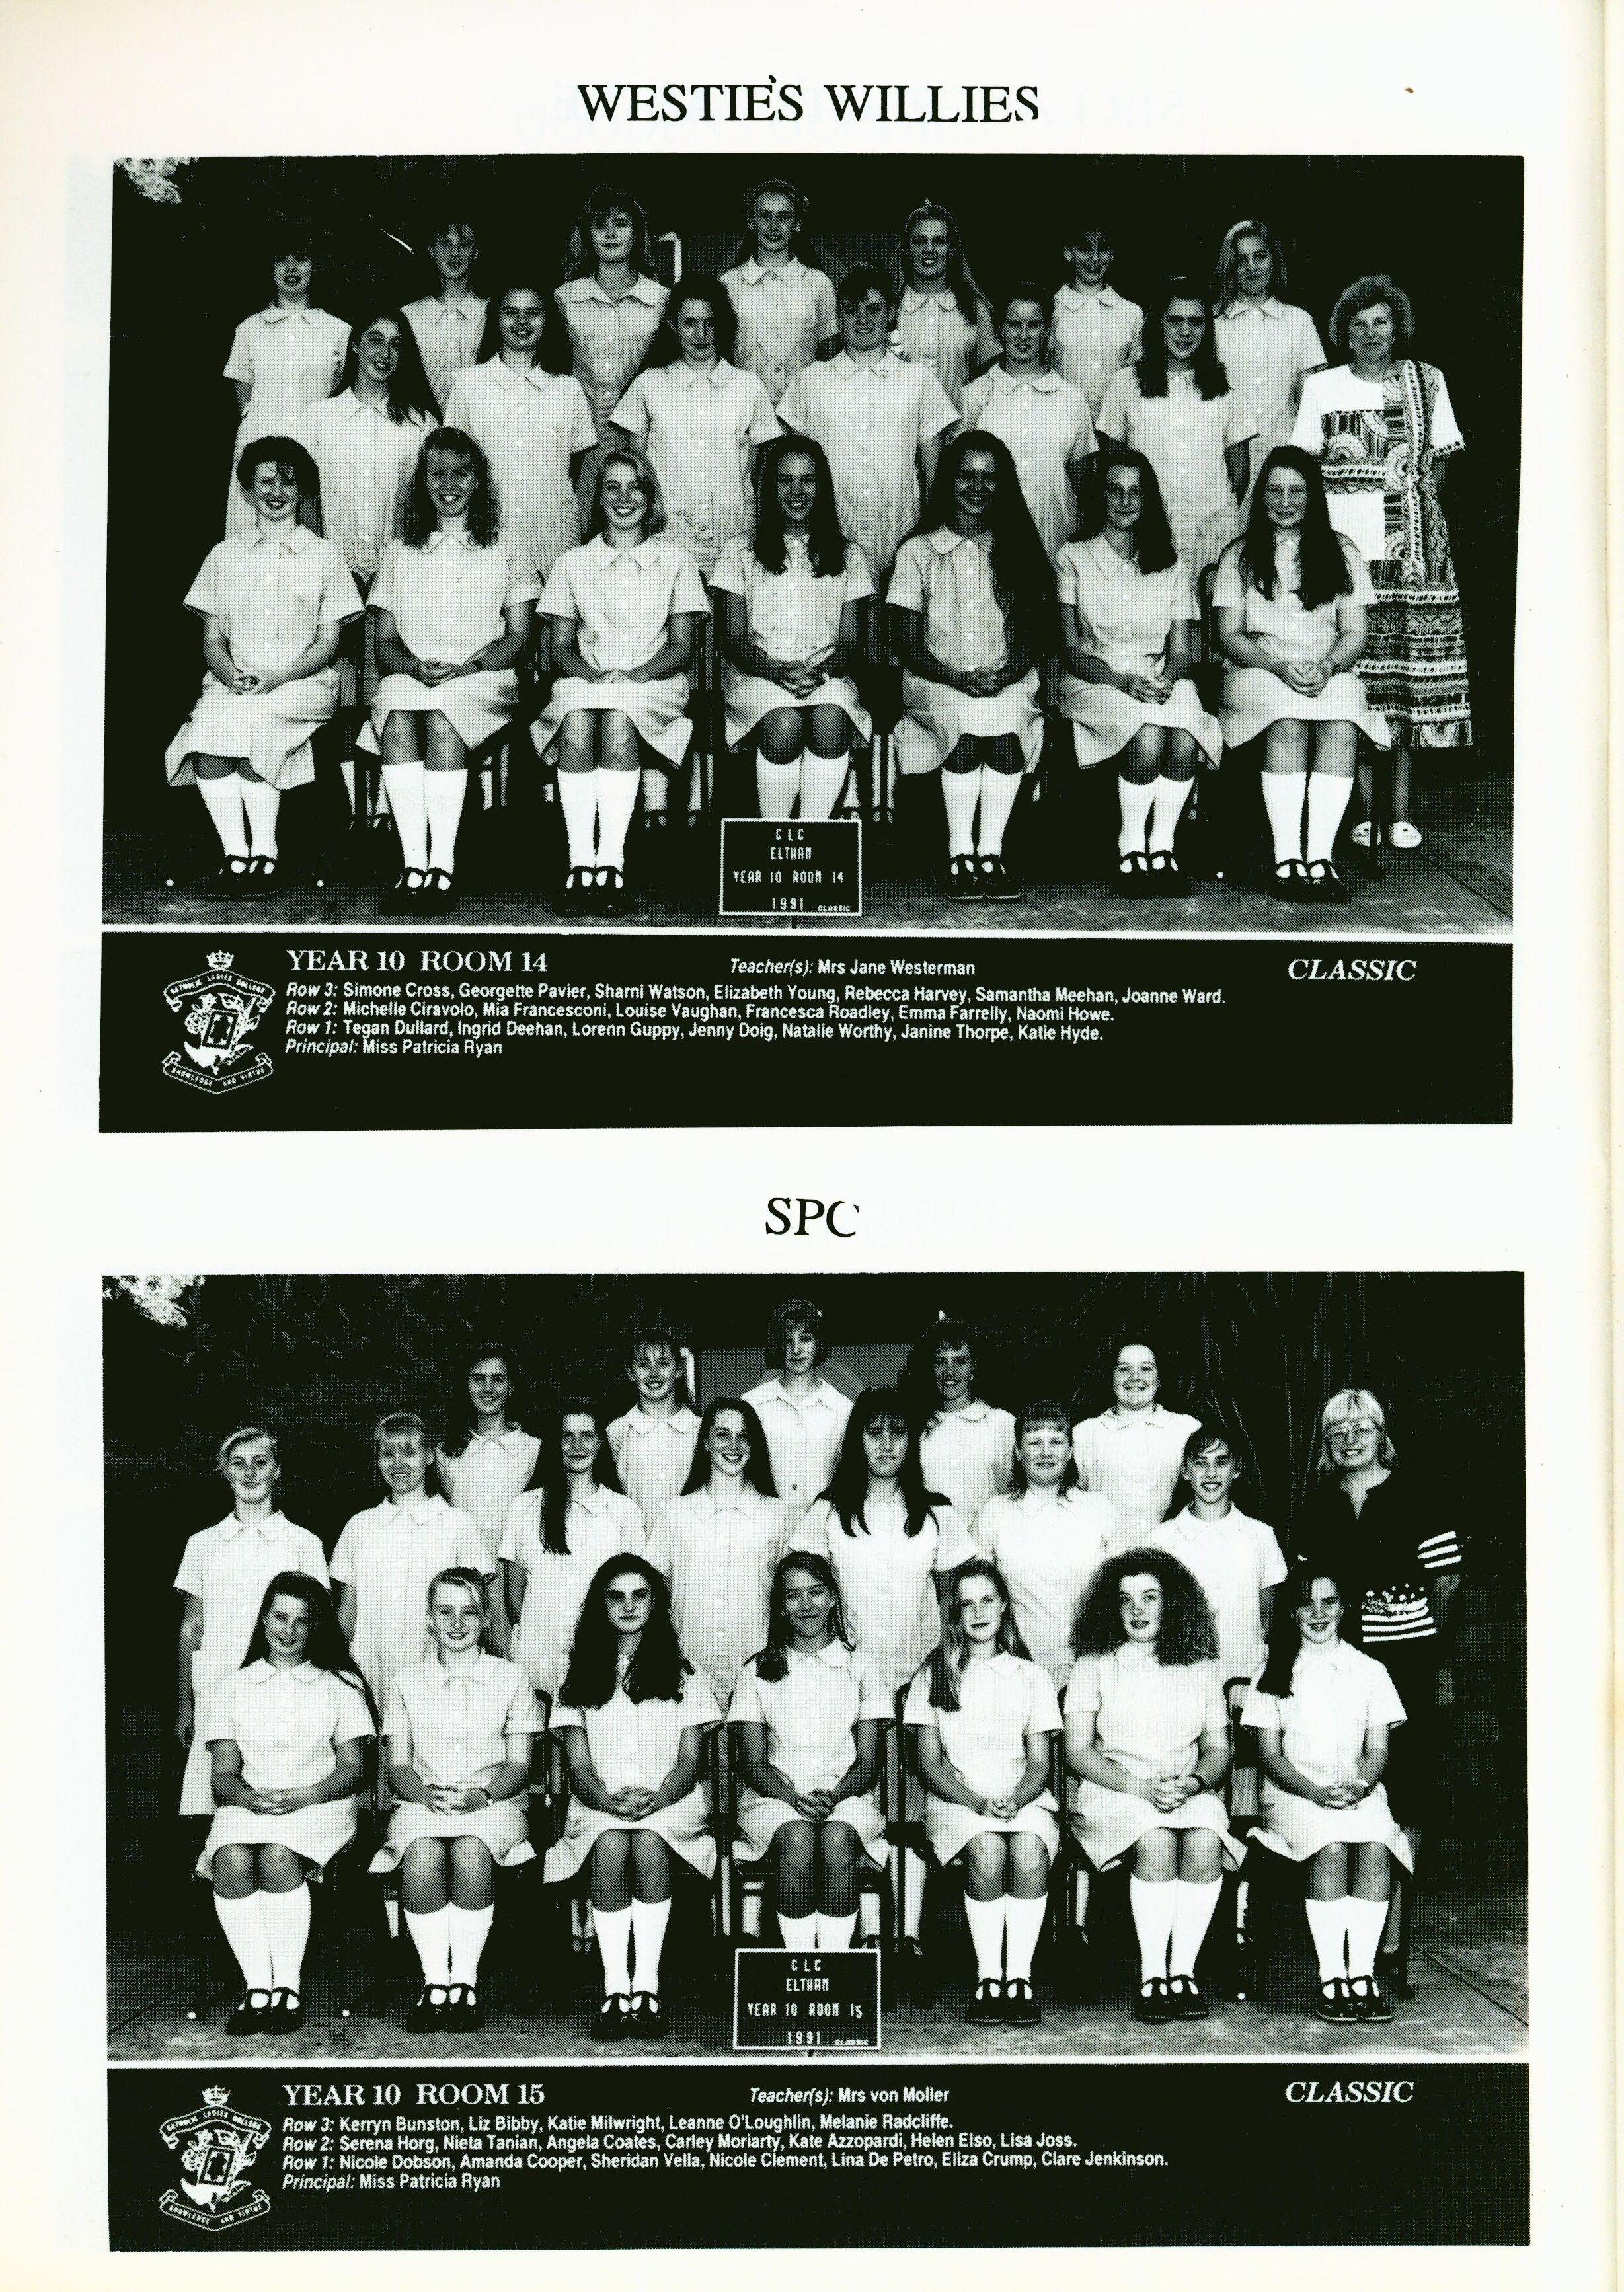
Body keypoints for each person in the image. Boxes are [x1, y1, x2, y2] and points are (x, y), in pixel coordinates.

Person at [1293, 1389, 1462, 1997]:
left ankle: (1390, 1941)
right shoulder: (1318, 1504)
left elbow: (1446, 1584)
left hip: (1408, 1666)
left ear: (1380, 1434)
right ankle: (1349, 1940)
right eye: (1337, 1431)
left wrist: (1432, 1660)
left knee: (1408, 1798)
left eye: (1360, 1428)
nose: (1349, 1440)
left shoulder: (1419, 1494)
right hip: (1337, 1671)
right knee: (1353, 1786)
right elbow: (1308, 1590)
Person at [1292, 274, 1471, 843]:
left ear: (1397, 329)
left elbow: (1439, 461)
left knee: (1408, 686)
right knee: (1359, 682)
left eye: (1380, 322)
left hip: (1414, 560)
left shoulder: (1427, 381)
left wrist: (1414, 516)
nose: (1370, 333)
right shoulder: (1322, 387)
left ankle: (1400, 812)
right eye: (1359, 324)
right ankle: (1365, 814)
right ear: (1343, 333)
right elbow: (1303, 468)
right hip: (1346, 560)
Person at [794, 1388, 964, 1954]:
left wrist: (941, 1671)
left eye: (898, 1432)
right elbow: (805, 1591)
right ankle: (867, 1932)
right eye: (874, 1432)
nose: (886, 1444)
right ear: (856, 1441)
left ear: (912, 1441)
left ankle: (906, 1933)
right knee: (859, 1802)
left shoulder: (936, 1512)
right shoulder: (828, 1511)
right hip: (846, 1679)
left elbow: (954, 1602)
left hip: (920, 1678)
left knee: (910, 1805)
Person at [165, 436, 362, 894]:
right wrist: (231, 675)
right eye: (265, 482)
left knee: (256, 725)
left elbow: (328, 644)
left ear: (303, 490)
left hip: (303, 683)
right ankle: (236, 856)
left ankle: (266, 855)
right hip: (235, 680)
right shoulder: (224, 555)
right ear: (247, 491)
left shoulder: (324, 556)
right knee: (209, 732)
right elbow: (213, 639)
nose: (276, 492)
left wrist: (276, 678)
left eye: (287, 483)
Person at [361, 428, 538, 913]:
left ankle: (441, 866)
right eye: (437, 473)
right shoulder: (400, 550)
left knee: (442, 717)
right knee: (397, 716)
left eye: (461, 473)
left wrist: (468, 667)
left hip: (484, 676)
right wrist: (414, 667)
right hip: (413, 674)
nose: (449, 484)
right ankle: (413, 866)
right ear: (422, 481)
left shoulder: (507, 547)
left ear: (478, 480)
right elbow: (384, 642)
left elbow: (519, 639)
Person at [545, 1556, 721, 2038]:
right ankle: (614, 1989)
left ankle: (646, 1986)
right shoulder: (577, 1677)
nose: (628, 1606)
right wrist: (606, 1801)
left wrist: (656, 1799)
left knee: (645, 1843)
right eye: (615, 1596)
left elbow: (689, 1762)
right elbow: (578, 1765)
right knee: (608, 1845)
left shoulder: (686, 1675)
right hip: (597, 1804)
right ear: (599, 1606)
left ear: (655, 1603)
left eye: (639, 1595)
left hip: (672, 1804)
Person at [1064, 1550, 1242, 2021]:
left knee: (1205, 1840)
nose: (1137, 1610)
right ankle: (1152, 1977)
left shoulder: (1202, 1665)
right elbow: (1078, 1751)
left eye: (1149, 1598)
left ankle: (1182, 1973)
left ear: (1172, 1604)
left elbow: (1218, 1747)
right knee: (1157, 1840)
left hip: (1185, 1788)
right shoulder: (1093, 1664)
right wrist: (1139, 1787)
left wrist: (1194, 1783)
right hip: (1114, 1791)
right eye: (1125, 1600)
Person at [531, 449, 708, 915]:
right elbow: (560, 648)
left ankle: (611, 863)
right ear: (598, 498)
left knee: (617, 719)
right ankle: (580, 865)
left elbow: (681, 648)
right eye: (613, 487)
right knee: (575, 720)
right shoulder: (572, 562)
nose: (624, 498)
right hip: (585, 679)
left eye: (635, 488)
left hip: (655, 683)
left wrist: (634, 676)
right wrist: (593, 675)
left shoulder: (676, 560)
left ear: (650, 498)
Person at [196, 1573, 373, 2034]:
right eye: (279, 1617)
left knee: (278, 1857)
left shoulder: (340, 1686)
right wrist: (253, 1800)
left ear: (316, 1627)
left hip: (321, 1803)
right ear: (263, 1619)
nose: (288, 1630)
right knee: (231, 1859)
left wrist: (300, 1797)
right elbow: (223, 1777)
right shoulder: (233, 1687)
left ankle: (288, 1990)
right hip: (249, 1803)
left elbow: (352, 1770)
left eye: (302, 1620)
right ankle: (258, 1989)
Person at [1213, 445, 1388, 904]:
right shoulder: (1239, 555)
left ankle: (1320, 859)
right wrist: (1278, 666)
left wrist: (1327, 666)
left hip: (1326, 668)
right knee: (1287, 719)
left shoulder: (1342, 551)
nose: (1285, 502)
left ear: (1314, 496)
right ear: (1261, 497)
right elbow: (1229, 636)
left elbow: (1354, 633)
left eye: (1297, 491)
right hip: (1257, 670)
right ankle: (1287, 858)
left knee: (1341, 717)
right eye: (1274, 491)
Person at [370, 1568, 543, 2032]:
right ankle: (435, 1984)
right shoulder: (406, 1681)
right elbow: (398, 1766)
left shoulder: (511, 1677)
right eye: (445, 1611)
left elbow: (519, 1766)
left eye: (469, 1612)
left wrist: (481, 1796)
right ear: (429, 1619)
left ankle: (463, 1983)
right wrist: (425, 1795)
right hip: (421, 1802)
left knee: (470, 1850)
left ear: (486, 1618)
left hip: (494, 1803)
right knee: (422, 1853)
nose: (457, 1623)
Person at [888, 430, 1056, 901]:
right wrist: (956, 678)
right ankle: (959, 853)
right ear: (948, 482)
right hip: (934, 679)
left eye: (990, 477)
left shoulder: (1017, 547)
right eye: (967, 476)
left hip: (1006, 678)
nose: (977, 487)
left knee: (1004, 730)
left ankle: (991, 853)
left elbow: (1031, 636)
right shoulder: (917, 551)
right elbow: (906, 643)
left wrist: (1005, 675)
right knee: (962, 729)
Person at [1243, 1563, 1412, 2023]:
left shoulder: (1369, 1670)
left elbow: (1377, 1750)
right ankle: (1332, 1976)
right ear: (1292, 1613)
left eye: (1329, 1602)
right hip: (1293, 1794)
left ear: (1344, 1608)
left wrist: (1361, 1785)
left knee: (1375, 1845)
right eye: (1307, 1604)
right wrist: (1315, 1792)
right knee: (1332, 1845)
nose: (1318, 1613)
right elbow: (1269, 1757)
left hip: (1358, 1790)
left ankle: (1362, 1975)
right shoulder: (1272, 1672)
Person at [1057, 447, 1221, 897]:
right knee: (1148, 735)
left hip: (1158, 675)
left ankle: (1162, 848)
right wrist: (1124, 683)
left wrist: (1166, 680)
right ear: (1099, 497)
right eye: (1114, 490)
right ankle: (1130, 847)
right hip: (1095, 679)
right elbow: (1070, 649)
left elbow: (1182, 650)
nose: (1125, 501)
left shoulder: (1170, 563)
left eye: (1136, 491)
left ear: (1149, 499)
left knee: (1184, 734)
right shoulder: (1072, 557)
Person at [906, 1561, 1062, 2022]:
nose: (977, 1612)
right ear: (953, 1613)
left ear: (1004, 1606)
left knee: (1029, 1849)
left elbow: (1039, 1763)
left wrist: (1017, 1798)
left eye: (987, 1600)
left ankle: (1020, 1979)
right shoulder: (934, 1675)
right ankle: (989, 1978)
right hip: (957, 1801)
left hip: (1022, 1798)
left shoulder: (1031, 1676)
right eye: (965, 1604)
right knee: (988, 1849)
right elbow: (930, 1765)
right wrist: (976, 1802)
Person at [299, 311, 436, 831]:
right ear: (354, 347)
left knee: (388, 686)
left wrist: (401, 572)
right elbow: (306, 496)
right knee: (341, 691)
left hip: (397, 574)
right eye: (374, 340)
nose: (384, 353)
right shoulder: (319, 416)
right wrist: (326, 565)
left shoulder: (420, 421)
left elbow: (426, 504)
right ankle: (350, 811)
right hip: (336, 571)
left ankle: (385, 807)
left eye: (396, 344)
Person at [730, 1552, 889, 1951]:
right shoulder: (757, 1671)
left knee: (837, 1840)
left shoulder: (862, 1666)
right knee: (797, 1839)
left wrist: (835, 1796)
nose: (806, 1605)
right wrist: (795, 1798)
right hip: (773, 1798)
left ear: (833, 1598)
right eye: (793, 1595)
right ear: (780, 1607)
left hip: (848, 1795)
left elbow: (869, 1761)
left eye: (816, 1592)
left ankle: (834, 1964)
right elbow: (754, 1764)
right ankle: (800, 1961)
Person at [711, 435, 873, 821]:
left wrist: (821, 673)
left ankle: (813, 833)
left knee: (830, 723)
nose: (797, 492)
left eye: (808, 480)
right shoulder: (740, 552)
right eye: (785, 481)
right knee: (784, 725)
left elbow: (852, 642)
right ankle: (776, 832)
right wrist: (777, 671)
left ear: (823, 487)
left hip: (827, 675)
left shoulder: (848, 555)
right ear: (768, 488)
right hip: (758, 675)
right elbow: (733, 639)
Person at [329, 1412, 490, 1794]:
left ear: (430, 1456)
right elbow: (346, 1614)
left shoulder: (458, 1525)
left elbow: (485, 1609)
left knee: (427, 1776)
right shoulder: (360, 1527)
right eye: (388, 1453)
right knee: (371, 1781)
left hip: (437, 1670)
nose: (399, 1463)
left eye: (410, 1452)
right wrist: (345, 1675)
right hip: (371, 1671)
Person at [174, 1428, 330, 1817]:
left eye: (260, 1462)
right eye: (238, 1463)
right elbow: (191, 1628)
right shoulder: (202, 1544)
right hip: (216, 1686)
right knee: (217, 1804)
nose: (249, 1472)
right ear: (225, 1472)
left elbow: (317, 1627)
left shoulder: (304, 1543)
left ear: (276, 1470)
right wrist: (186, 1704)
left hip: (283, 1688)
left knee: (280, 1801)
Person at [775, 263, 958, 586]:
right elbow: (790, 464)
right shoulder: (811, 381)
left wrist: (930, 535)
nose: (863, 319)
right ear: (837, 317)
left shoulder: (919, 380)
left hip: (902, 531)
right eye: (851, 310)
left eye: (873, 309)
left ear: (891, 314)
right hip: (831, 539)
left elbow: (932, 470)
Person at [611, 276, 781, 580]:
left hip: (734, 535)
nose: (701, 334)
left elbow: (758, 473)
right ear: (673, 325)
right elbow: (637, 471)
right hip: (668, 534)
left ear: (723, 325)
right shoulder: (649, 384)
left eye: (710, 322)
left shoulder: (748, 387)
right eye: (690, 323)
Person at [443, 281, 597, 595]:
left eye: (533, 313)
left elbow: (580, 466)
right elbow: (454, 463)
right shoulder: (469, 385)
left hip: (555, 532)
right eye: (511, 313)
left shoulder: (568, 389)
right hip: (488, 533)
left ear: (548, 320)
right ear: (496, 320)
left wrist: (578, 523)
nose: (522, 322)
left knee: (556, 622)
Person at [1096, 278, 1254, 580]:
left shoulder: (1227, 384)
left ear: (1207, 328)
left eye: (1196, 322)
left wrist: (1210, 508)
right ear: (1157, 323)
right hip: (1148, 528)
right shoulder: (1126, 383)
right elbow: (1112, 465)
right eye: (1175, 320)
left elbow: (1239, 473)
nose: (1185, 331)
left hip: (1213, 527)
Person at [644, 1397, 788, 1711]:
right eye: (723, 1434)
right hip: (689, 1670)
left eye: (744, 1436)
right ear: (706, 1442)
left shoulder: (777, 1514)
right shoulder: (675, 1514)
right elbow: (653, 1592)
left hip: (759, 1669)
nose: (733, 1445)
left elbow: (788, 1593)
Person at [499, 1396, 645, 1700]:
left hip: (600, 1660)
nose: (578, 1445)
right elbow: (515, 1598)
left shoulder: (624, 1511)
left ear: (600, 1443)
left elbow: (634, 1591)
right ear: (555, 1443)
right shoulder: (525, 1507)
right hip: (538, 1658)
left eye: (587, 1436)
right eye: (567, 1436)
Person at [970, 1401, 1119, 1690]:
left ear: (1071, 1451)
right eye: (1035, 1443)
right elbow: (978, 1593)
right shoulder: (994, 1513)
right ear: (1018, 1452)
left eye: (1056, 1442)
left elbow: (1121, 1589)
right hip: (1018, 1667)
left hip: (1095, 1664)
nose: (1046, 1452)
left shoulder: (1099, 1510)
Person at [221, 235, 349, 541]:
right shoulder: (249, 329)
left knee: (312, 545)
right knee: (252, 542)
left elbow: (339, 394)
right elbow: (245, 399)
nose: (291, 268)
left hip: (317, 451)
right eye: (282, 259)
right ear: (270, 267)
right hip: (259, 453)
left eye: (300, 259)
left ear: (315, 266)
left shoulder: (339, 331)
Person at [555, 184, 670, 518]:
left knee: (642, 520)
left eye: (621, 224)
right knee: (579, 524)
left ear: (637, 233)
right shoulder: (565, 298)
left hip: (642, 435)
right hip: (581, 436)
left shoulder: (661, 300)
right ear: (587, 234)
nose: (611, 234)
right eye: (600, 225)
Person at [959, 283, 1097, 558]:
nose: (1023, 335)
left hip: (1055, 540)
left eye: (1033, 325)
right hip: (990, 545)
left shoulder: (1072, 399)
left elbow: (1081, 482)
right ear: (999, 329)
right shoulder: (974, 395)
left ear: (1047, 330)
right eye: (1014, 324)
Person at [1149, 1424, 1288, 1687]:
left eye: (1221, 1462)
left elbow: (1268, 1616)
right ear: (1185, 1471)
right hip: (1182, 1678)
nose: (1211, 1473)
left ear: (1236, 1470)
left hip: (1245, 1678)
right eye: (1201, 1463)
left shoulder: (1261, 1536)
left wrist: (1255, 1670)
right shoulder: (1161, 1540)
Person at [435, 1341, 541, 1653]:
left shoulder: (534, 1449)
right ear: (466, 1385)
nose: (488, 1388)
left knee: (514, 1660)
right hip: (465, 1582)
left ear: (511, 1387)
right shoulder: (446, 1454)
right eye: (479, 1379)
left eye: (498, 1379)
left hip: (518, 1579)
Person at [1210, 221, 1325, 489]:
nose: (1252, 267)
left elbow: (1312, 402)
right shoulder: (1212, 324)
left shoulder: (1299, 321)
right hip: (1224, 462)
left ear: (1274, 260)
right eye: (1241, 260)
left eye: (1260, 256)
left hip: (1286, 465)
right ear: (1230, 268)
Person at [720, 178, 840, 401]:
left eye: (784, 216)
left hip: (804, 410)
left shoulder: (819, 284)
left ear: (797, 224)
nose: (774, 226)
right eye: (765, 216)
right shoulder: (729, 284)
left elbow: (830, 359)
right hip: (747, 409)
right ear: (751, 222)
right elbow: (721, 356)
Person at [741, 1297, 853, 1534]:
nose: (796, 1349)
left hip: (823, 1532)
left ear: (819, 1343)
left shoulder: (842, 1409)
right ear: (777, 1345)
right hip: (764, 1530)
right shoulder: (752, 1404)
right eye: (787, 1341)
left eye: (806, 1339)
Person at [1072, 1340, 1202, 1541]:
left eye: (1146, 1369)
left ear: (1159, 1378)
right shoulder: (1085, 1433)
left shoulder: (1186, 1429)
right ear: (1111, 1377)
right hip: (1104, 1552)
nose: (1135, 1377)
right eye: (1124, 1369)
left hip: (1172, 1551)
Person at [902, 1317, 1016, 1527]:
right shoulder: (912, 1424)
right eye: (940, 1362)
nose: (950, 1371)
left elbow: (1015, 1492)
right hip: (929, 1541)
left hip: (986, 1543)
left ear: (974, 1366)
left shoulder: (1001, 1423)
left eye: (960, 1361)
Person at [889, 199, 1000, 412]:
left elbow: (992, 383)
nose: (929, 249)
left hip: (962, 429)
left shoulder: (975, 308)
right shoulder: (889, 309)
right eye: (919, 241)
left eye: (939, 241)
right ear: (907, 249)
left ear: (952, 250)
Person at [607, 1325, 703, 1532]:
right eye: (643, 1364)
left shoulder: (701, 1430)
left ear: (679, 1369)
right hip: (635, 1548)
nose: (653, 1373)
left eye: (663, 1363)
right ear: (630, 1372)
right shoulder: (616, 1432)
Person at [1050, 221, 1143, 426]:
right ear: (1068, 252)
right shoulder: (1052, 310)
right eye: (1085, 248)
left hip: (1116, 428)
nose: (1094, 258)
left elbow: (1136, 379)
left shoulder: (1132, 313)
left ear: (1112, 254)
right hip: (1064, 424)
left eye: (1103, 248)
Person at [403, 211, 489, 417]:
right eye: (445, 243)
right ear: (431, 250)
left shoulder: (492, 312)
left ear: (476, 252)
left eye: (465, 244)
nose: (455, 253)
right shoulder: (409, 316)